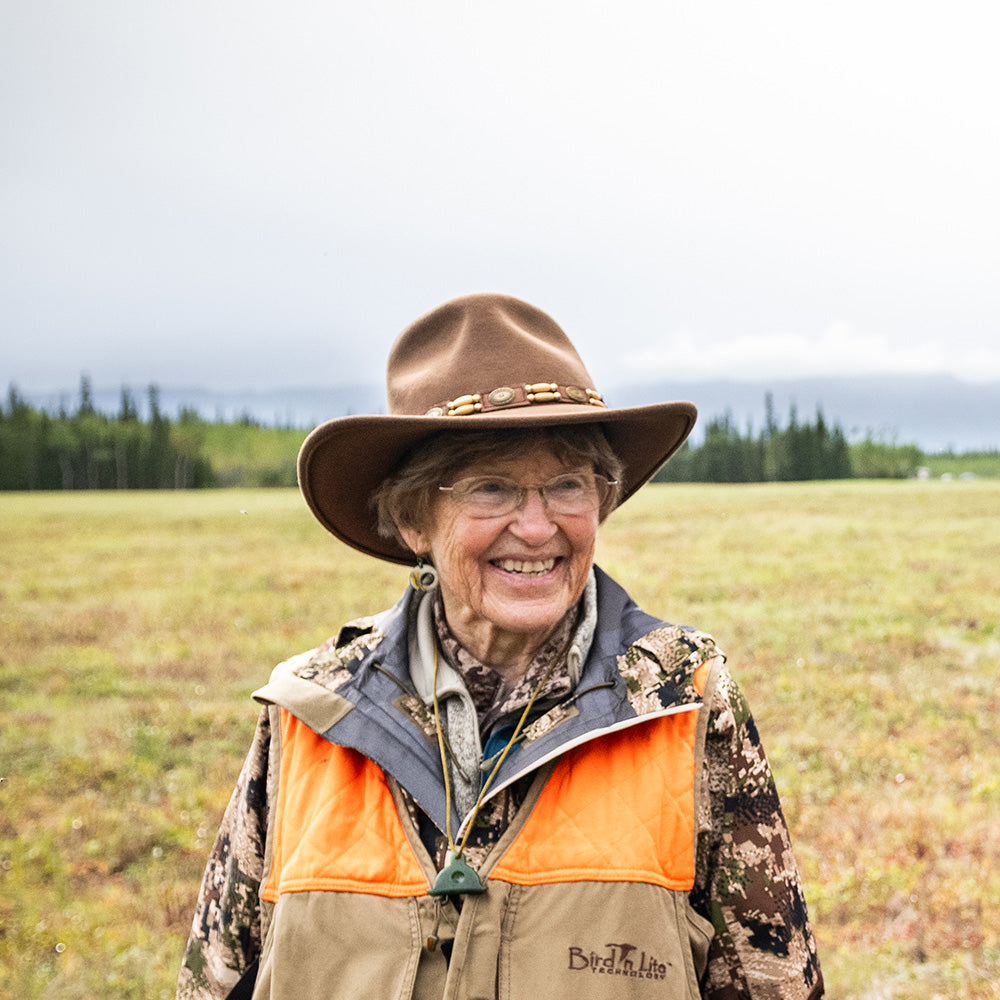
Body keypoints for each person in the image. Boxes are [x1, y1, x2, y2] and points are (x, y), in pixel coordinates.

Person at [177, 293, 824, 999]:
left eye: (568, 485)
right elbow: (218, 980)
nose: (539, 526)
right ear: (413, 520)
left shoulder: (681, 696)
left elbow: (774, 983)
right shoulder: (309, 710)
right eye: (492, 489)